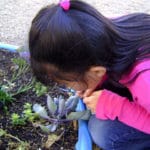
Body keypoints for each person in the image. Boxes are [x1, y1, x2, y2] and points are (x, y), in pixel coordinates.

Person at [28, 0, 150, 149]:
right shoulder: (102, 31)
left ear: (97, 71)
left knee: (103, 131)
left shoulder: (145, 82)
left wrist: (115, 106)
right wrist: (96, 82)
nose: (68, 87)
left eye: (68, 82)